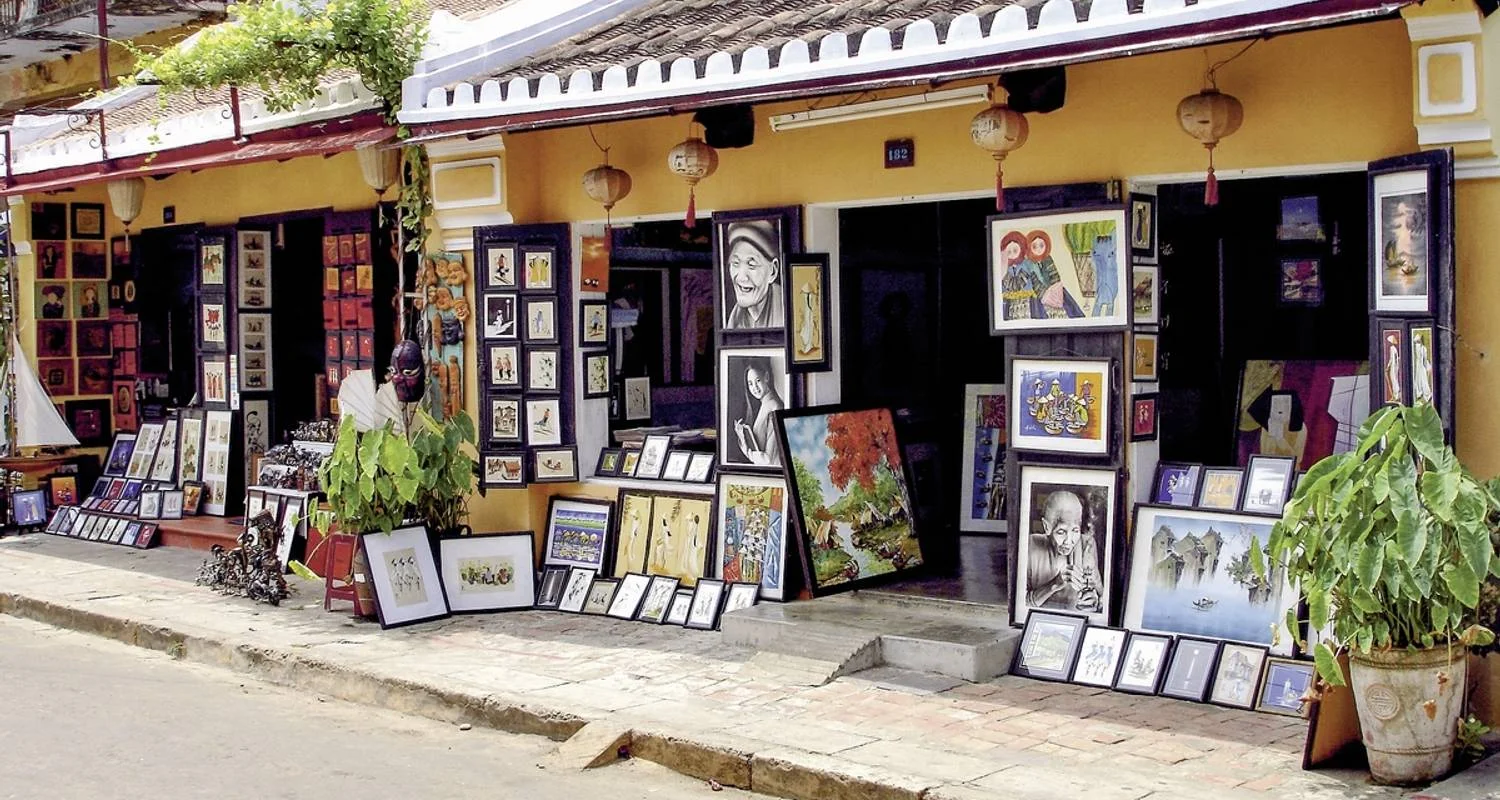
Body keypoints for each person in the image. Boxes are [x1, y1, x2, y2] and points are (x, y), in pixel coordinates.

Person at [1026, 490, 1102, 612]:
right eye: (1061, 532)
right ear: (1047, 527)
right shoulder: (1031, 545)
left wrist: (1094, 601)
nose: (1069, 541)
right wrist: (1054, 584)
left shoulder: (1086, 544)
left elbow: (1100, 594)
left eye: (1075, 531)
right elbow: (1020, 605)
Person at [723, 220, 784, 329]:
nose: (741, 278)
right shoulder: (734, 319)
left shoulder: (786, 309)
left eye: (751, 265)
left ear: (773, 271)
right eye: (735, 263)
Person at [733, 358, 784, 466]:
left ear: (766, 377)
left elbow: (768, 460)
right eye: (750, 384)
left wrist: (746, 448)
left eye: (758, 381)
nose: (754, 387)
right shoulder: (765, 405)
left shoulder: (775, 407)